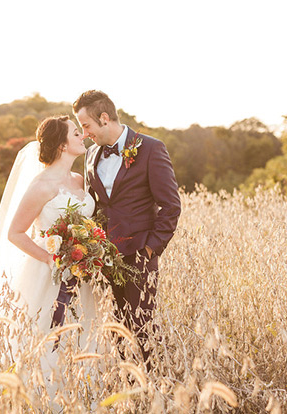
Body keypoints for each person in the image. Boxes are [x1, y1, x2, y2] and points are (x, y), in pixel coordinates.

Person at [0, 115, 99, 407]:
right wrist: (52, 259)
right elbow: (15, 232)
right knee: (47, 338)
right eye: (76, 133)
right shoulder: (41, 186)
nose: (83, 136)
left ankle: (80, 399)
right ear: (62, 145)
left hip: (83, 272)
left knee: (81, 336)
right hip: (49, 274)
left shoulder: (79, 179)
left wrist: (89, 251)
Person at [73, 90, 181, 369]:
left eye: (86, 126)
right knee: (113, 331)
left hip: (138, 258)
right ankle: (125, 390)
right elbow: (96, 206)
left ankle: (152, 391)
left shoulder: (151, 148)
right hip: (101, 260)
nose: (84, 134)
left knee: (142, 331)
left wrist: (149, 249)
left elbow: (171, 206)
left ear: (104, 118)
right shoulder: (91, 155)